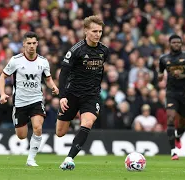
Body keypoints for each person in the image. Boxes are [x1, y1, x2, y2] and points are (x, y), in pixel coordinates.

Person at [56, 15, 109, 170]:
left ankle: (69, 159)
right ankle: (71, 119)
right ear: (86, 31)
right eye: (94, 31)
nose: (98, 34)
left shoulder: (104, 50)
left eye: (100, 31)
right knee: (60, 132)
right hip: (72, 94)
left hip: (91, 96)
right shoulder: (75, 50)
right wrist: (62, 96)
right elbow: (63, 74)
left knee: (87, 122)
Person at [0, 31, 59, 166]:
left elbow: (48, 79)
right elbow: (3, 76)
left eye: (34, 43)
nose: (31, 46)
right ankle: (29, 152)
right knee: (21, 135)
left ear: (37, 44)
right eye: (29, 43)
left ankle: (31, 159)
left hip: (36, 100)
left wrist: (54, 87)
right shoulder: (16, 60)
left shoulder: (43, 62)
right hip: (20, 102)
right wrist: (2, 94)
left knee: (38, 127)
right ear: (24, 44)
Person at [158, 34, 185, 160]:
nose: (176, 44)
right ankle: (173, 151)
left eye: (178, 42)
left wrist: (183, 76)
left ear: (181, 44)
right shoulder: (163, 59)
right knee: (170, 118)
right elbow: (160, 72)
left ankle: (178, 137)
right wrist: (160, 76)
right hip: (171, 93)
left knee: (183, 123)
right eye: (174, 42)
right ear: (169, 44)